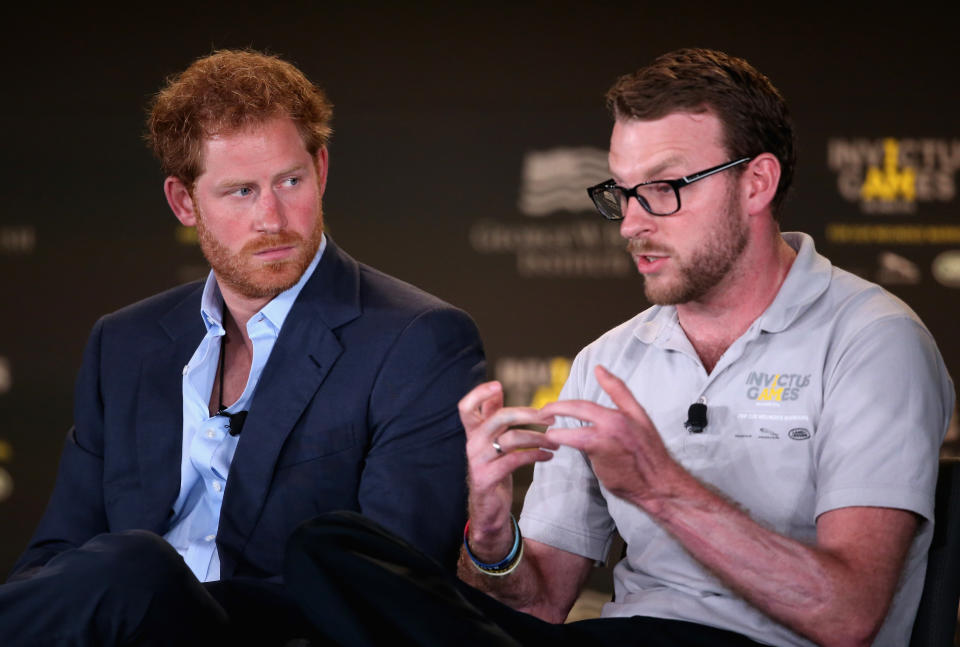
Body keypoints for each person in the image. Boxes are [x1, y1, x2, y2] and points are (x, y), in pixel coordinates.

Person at [282, 48, 954, 647]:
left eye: (663, 189)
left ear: (757, 183)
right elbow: (540, 601)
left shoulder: (871, 338)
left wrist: (660, 488)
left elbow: (847, 615)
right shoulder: (610, 358)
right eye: (621, 193)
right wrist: (491, 536)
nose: (631, 222)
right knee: (333, 549)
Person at [1, 49, 484, 645]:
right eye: (239, 192)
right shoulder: (123, 343)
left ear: (322, 169)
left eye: (290, 181)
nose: (273, 218)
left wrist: (157, 594)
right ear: (184, 202)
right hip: (118, 624)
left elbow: (385, 590)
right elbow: (53, 558)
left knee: (135, 566)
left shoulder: (417, 341)